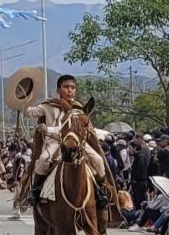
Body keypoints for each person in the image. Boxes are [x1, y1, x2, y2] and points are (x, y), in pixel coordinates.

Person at [24, 75, 109, 206]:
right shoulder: (48, 105)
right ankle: (35, 191)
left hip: (76, 142)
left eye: (72, 87)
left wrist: (48, 129)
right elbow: (28, 112)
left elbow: (86, 127)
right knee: (43, 160)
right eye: (66, 87)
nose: (69, 90)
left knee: (98, 159)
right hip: (55, 142)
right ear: (58, 90)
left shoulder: (79, 108)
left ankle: (101, 191)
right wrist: (24, 99)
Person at [129, 141, 150, 210]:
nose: (129, 150)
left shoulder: (140, 157)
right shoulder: (139, 156)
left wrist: (134, 179)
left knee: (140, 201)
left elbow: (139, 170)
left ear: (135, 148)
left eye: (130, 148)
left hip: (140, 183)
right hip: (139, 182)